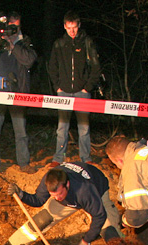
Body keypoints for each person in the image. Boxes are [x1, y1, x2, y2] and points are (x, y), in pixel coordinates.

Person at [0, 162, 122, 245]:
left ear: (67, 185)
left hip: (97, 191)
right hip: (71, 199)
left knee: (109, 232)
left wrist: (86, 240)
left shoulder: (85, 190)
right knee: (42, 220)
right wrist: (21, 194)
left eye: (59, 194)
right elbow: (38, 200)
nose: (56, 198)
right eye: (53, 195)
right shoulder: (49, 181)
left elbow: (99, 216)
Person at [0, 11, 37, 172]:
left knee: (21, 131)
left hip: (17, 92)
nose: (13, 29)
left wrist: (13, 46)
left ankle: (24, 163)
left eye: (16, 26)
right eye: (11, 25)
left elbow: (30, 61)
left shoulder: (24, 42)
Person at [47, 11, 100, 165]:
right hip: (63, 92)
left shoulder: (87, 42)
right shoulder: (59, 44)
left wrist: (87, 88)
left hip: (82, 92)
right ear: (64, 26)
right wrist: (57, 86)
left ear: (79, 26)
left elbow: (96, 67)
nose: (72, 31)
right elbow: (52, 67)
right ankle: (58, 157)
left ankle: (86, 158)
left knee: (84, 128)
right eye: (69, 27)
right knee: (62, 128)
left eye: (74, 27)